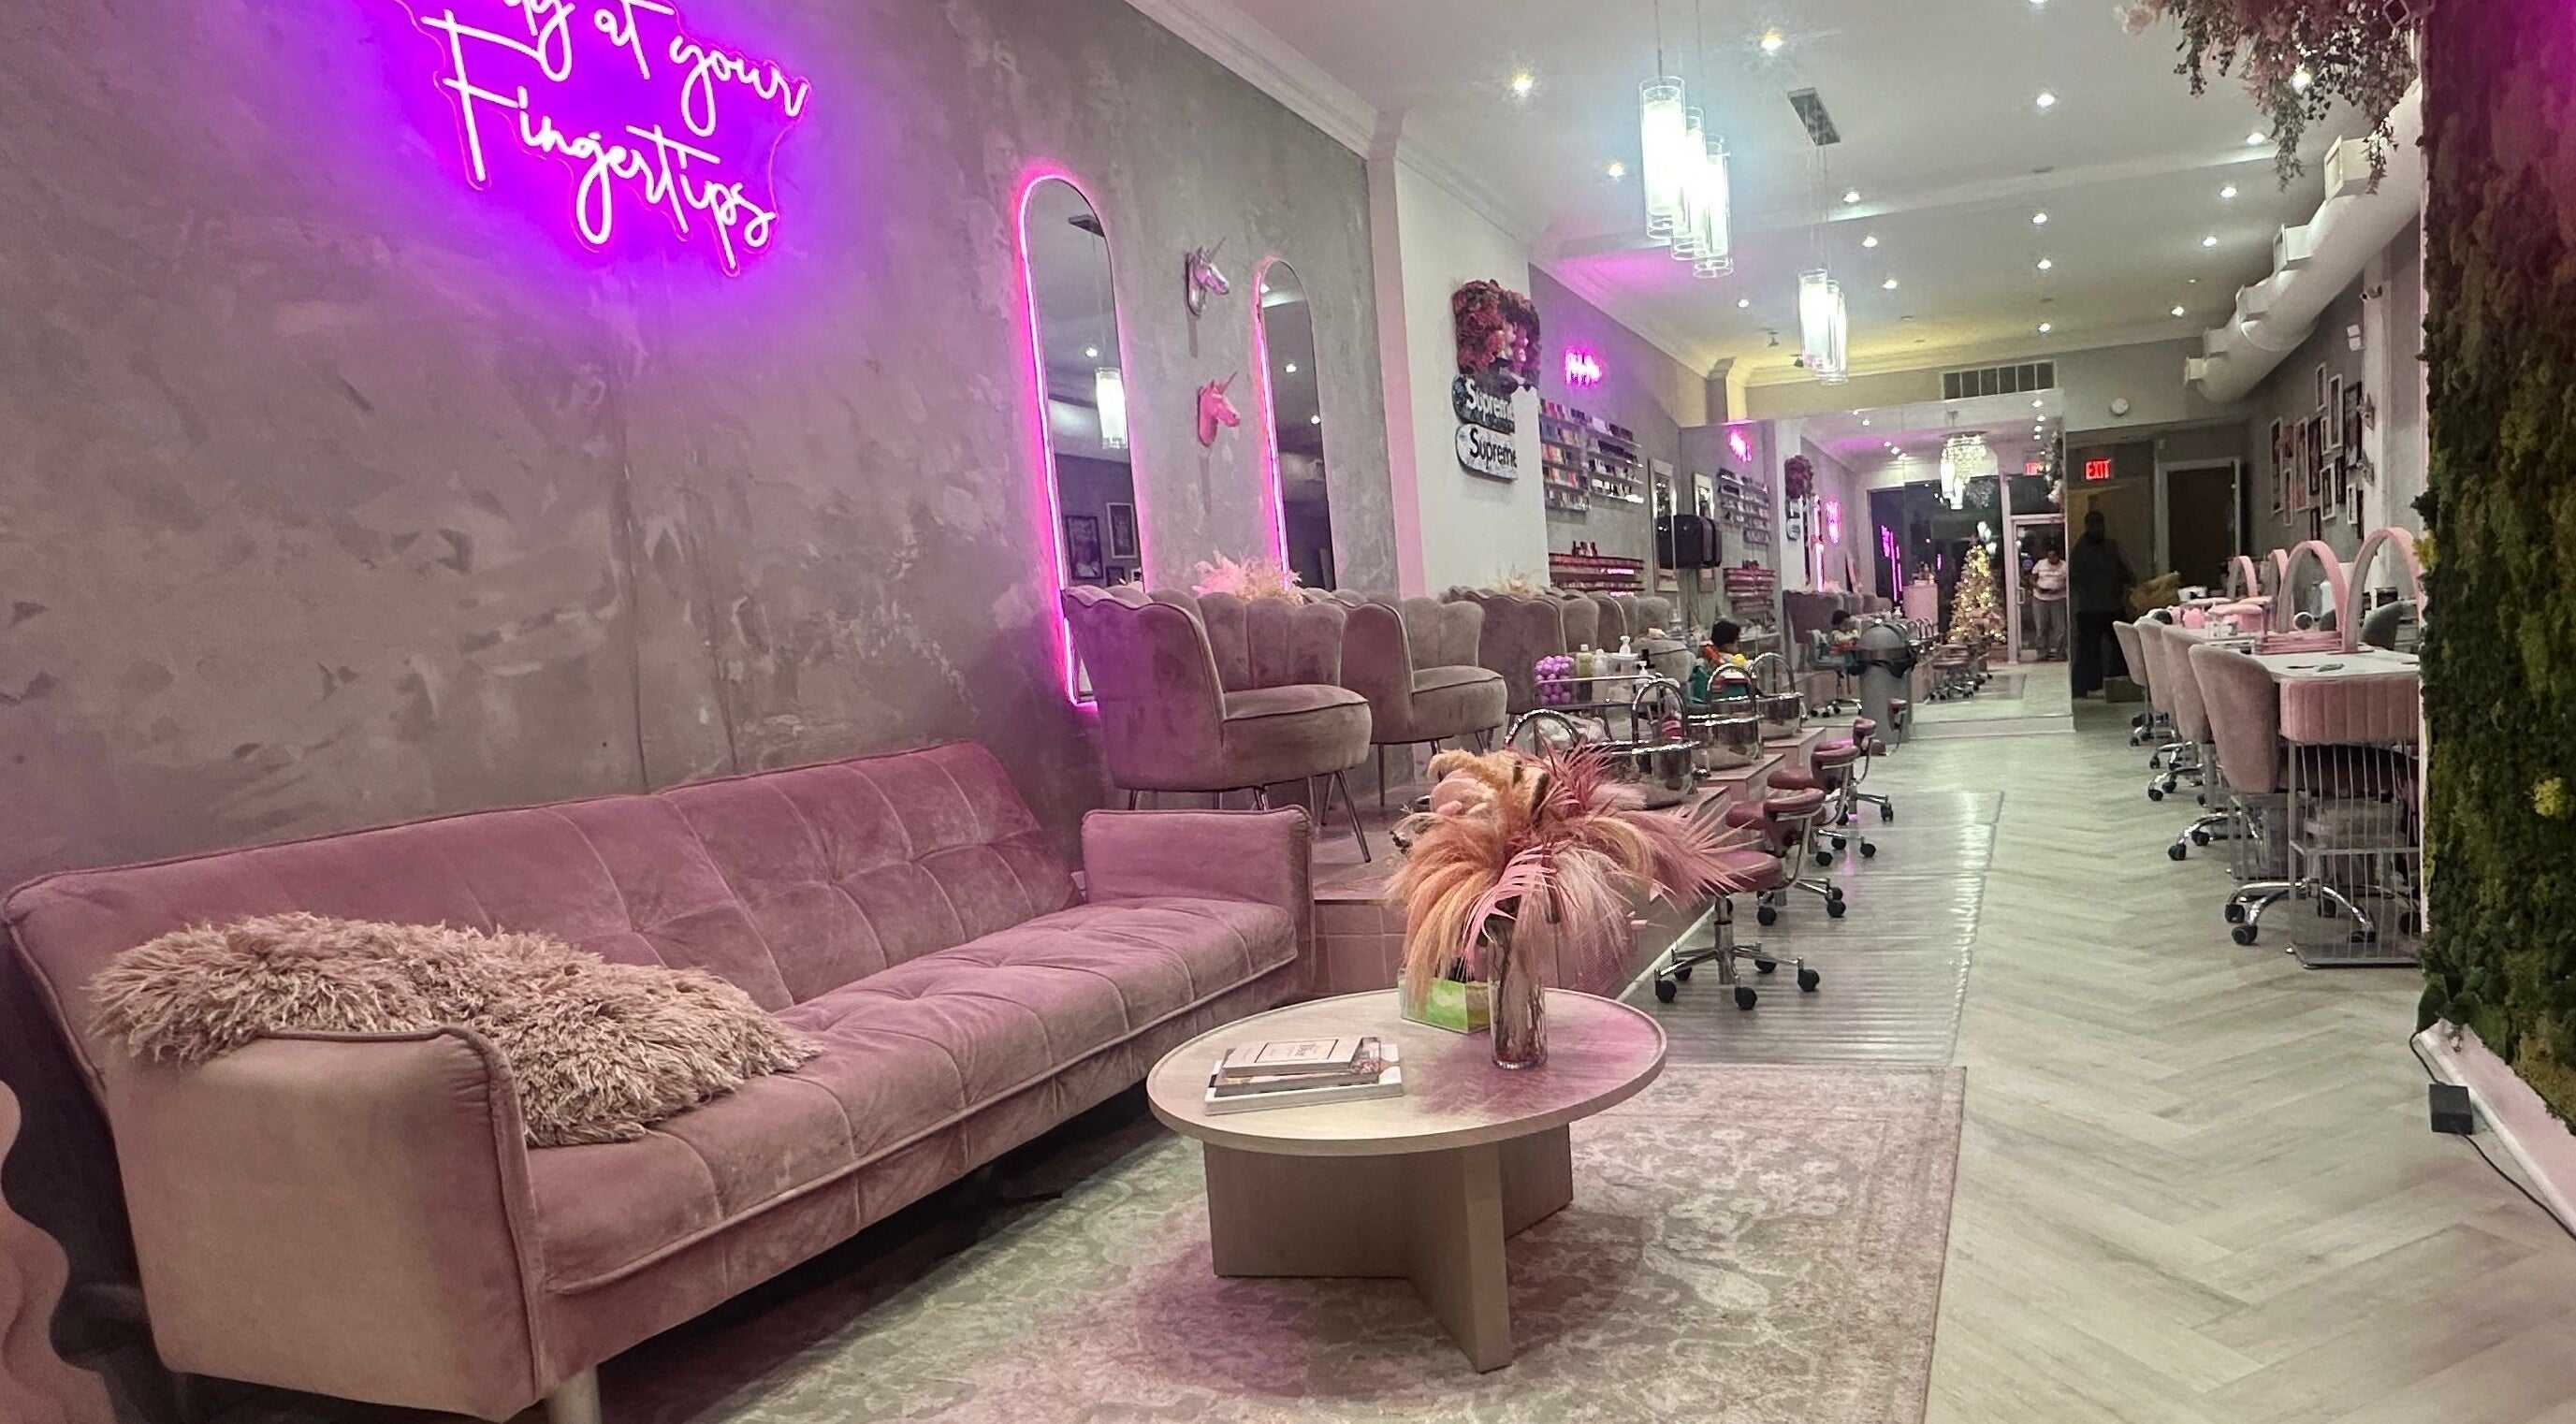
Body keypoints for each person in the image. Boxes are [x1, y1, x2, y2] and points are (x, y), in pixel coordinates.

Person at [2066, 512, 2136, 698]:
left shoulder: (2110, 547)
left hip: (2108, 605)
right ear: (2088, 525)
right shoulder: (2081, 550)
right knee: (2089, 650)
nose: (2098, 528)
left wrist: (2126, 582)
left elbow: (2126, 572)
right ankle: (2085, 686)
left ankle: (2117, 683)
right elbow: (2075, 578)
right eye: (2095, 524)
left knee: (2120, 646)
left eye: (2100, 524)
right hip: (2090, 607)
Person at [2030, 541, 2070, 661]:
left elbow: (2069, 582)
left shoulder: (2064, 566)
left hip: (2058, 599)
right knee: (2041, 627)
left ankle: (2060, 653)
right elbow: (2032, 578)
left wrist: (2058, 589)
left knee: (2060, 629)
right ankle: (2042, 653)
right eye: (2049, 557)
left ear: (2058, 556)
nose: (2051, 559)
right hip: (2040, 599)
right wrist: (2037, 587)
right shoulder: (2040, 564)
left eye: (2053, 556)